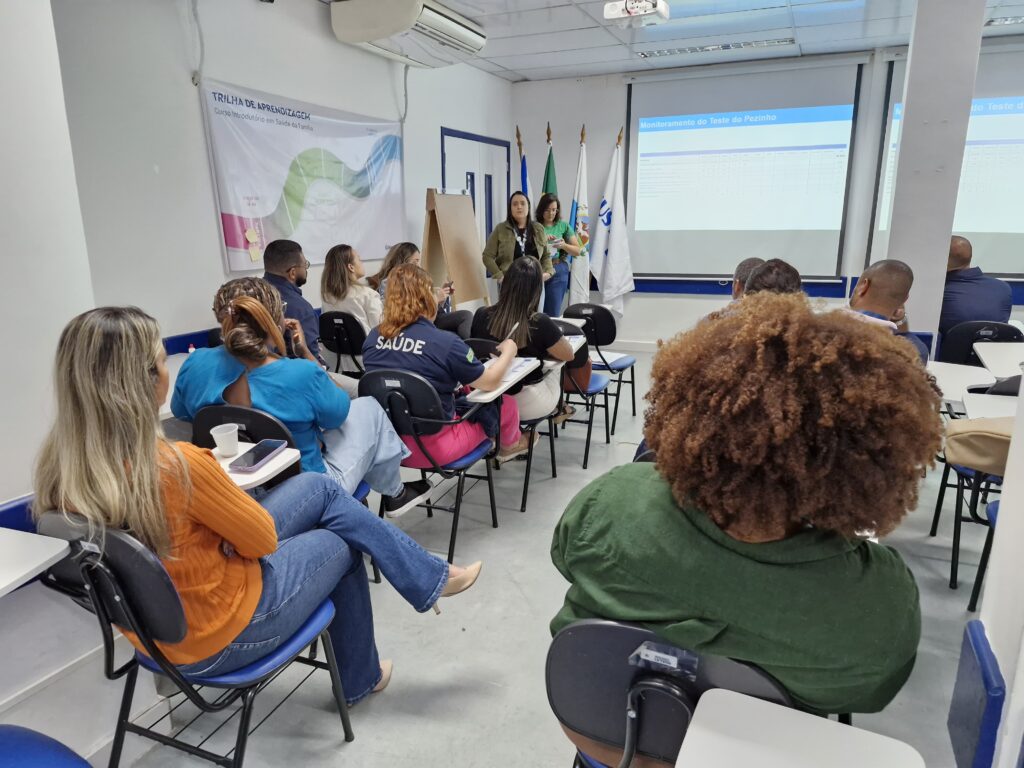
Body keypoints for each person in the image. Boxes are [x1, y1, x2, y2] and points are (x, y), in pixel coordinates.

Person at [550, 292, 942, 767]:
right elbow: (871, 691)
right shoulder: (878, 601)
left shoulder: (611, 501)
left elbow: (564, 557)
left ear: (689, 413)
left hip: (604, 741)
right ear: (866, 463)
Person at [33, 306, 482, 705]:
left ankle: (430, 577)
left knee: (320, 488)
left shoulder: (59, 473)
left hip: (155, 636)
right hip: (224, 636)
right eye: (160, 362)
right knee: (342, 542)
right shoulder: (177, 466)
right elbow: (262, 541)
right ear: (147, 380)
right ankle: (362, 675)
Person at [172, 278, 430, 515]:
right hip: (307, 491)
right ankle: (395, 493)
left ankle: (390, 494)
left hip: (235, 493)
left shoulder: (194, 363)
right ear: (275, 318)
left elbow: (182, 413)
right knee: (369, 407)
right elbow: (338, 415)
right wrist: (306, 353)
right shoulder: (301, 373)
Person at [362, 264, 535, 465]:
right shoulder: (446, 343)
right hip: (437, 449)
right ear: (427, 298)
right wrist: (509, 352)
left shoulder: (372, 338)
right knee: (506, 405)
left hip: (391, 445)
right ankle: (510, 446)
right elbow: (490, 382)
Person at [471, 257, 576, 422]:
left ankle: (554, 411)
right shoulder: (540, 322)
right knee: (556, 365)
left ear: (506, 283)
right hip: (529, 402)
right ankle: (560, 407)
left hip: (489, 397)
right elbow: (568, 355)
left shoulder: (481, 314)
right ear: (537, 289)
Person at [368, 241, 466, 337]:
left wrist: (441, 296)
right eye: (415, 262)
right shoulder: (390, 283)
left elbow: (425, 305)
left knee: (469, 316)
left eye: (419, 261)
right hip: (417, 324)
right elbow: (408, 311)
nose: (419, 266)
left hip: (429, 317)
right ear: (402, 262)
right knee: (464, 319)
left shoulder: (416, 279)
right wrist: (435, 300)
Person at [847, 259, 929, 364]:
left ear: (863, 286)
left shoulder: (830, 332)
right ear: (905, 300)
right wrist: (901, 318)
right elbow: (906, 336)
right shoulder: (914, 352)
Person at [321, 244, 382, 374]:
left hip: (340, 366)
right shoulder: (368, 295)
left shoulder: (327, 297)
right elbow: (380, 332)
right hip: (368, 364)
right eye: (359, 259)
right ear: (351, 267)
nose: (361, 262)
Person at [262, 239, 322, 363]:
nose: (306, 269)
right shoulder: (300, 309)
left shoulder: (252, 295)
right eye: (305, 265)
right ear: (293, 273)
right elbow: (311, 360)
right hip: (294, 371)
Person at [939, 235, 1013, 336]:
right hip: (994, 346)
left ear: (943, 258)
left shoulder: (938, 292)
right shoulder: (1003, 288)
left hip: (951, 346)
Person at [482, 191, 554, 285]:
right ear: (510, 208)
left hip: (535, 282)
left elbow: (546, 255)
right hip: (510, 283)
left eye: (523, 203)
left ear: (528, 207)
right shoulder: (501, 229)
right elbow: (487, 256)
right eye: (515, 204)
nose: (519, 207)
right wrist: (499, 276)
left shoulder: (538, 228)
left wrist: (548, 272)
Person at [536, 193, 582, 316]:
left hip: (557, 270)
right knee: (534, 312)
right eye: (547, 210)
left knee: (552, 312)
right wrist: (542, 240)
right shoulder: (534, 226)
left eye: (554, 210)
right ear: (541, 209)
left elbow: (577, 250)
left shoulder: (563, 226)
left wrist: (564, 245)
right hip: (537, 270)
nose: (551, 213)